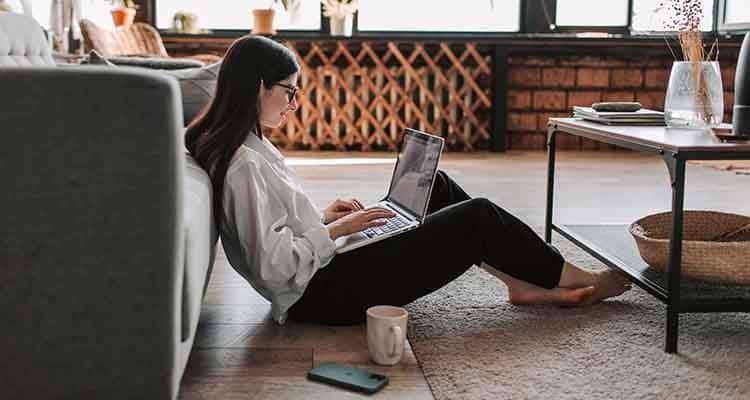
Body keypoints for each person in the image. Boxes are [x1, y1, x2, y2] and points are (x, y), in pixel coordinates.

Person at [185, 36, 631, 326]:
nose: (295, 103)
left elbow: (274, 232)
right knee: (477, 217)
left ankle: (519, 282)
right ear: (259, 87)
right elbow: (274, 267)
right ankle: (574, 277)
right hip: (318, 296)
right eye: (290, 91)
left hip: (322, 269)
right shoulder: (244, 163)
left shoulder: (249, 146)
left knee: (435, 186)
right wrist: (336, 232)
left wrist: (325, 218)